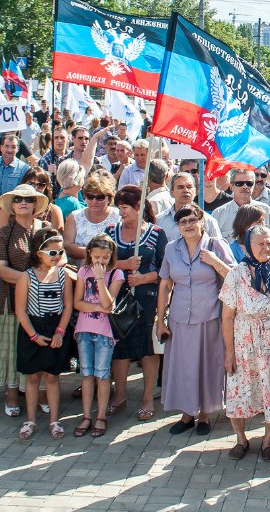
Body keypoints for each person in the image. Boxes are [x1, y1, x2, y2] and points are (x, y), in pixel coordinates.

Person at [157, 203, 235, 436]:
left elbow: (235, 278)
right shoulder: (171, 249)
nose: (188, 225)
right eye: (183, 221)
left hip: (210, 315)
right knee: (183, 366)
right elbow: (165, 285)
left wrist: (215, 262)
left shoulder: (216, 245)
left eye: (192, 220)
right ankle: (186, 414)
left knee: (207, 365)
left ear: (202, 222)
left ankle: (204, 415)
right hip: (180, 317)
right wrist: (160, 320)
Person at [219, 224, 270, 461]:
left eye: (269, 243)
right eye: (260, 244)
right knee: (239, 391)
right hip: (246, 342)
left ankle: (267, 441)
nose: (266, 248)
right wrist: (229, 353)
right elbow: (227, 316)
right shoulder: (236, 274)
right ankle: (241, 439)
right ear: (248, 247)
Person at [104, 185, 165, 421]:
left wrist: (144, 278)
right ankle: (120, 394)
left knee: (147, 349)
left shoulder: (157, 233)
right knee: (119, 347)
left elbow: (166, 270)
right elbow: (99, 261)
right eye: (119, 208)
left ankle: (147, 397)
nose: (122, 213)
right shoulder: (111, 232)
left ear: (139, 207)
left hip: (146, 299)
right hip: (117, 298)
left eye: (126, 208)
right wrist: (123, 265)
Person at [0, 183, 52, 415]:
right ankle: (12, 393)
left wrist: (41, 282)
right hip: (12, 299)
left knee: (41, 346)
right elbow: (1, 269)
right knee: (13, 348)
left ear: (36, 204)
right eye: (17, 199)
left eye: (28, 199)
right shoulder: (4, 232)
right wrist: (33, 281)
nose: (23, 202)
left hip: (44, 301)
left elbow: (59, 259)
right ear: (12, 205)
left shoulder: (46, 229)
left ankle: (42, 393)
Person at [13, 227, 72, 440]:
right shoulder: (26, 277)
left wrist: (60, 332)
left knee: (52, 377)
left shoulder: (64, 275)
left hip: (55, 327)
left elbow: (67, 306)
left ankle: (54, 420)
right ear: (39, 253)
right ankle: (31, 420)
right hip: (33, 328)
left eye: (60, 252)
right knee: (32, 377)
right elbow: (20, 310)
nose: (57, 256)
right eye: (52, 252)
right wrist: (33, 336)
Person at [73, 234, 125, 438]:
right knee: (87, 375)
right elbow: (77, 302)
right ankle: (86, 415)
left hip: (105, 332)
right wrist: (97, 308)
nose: (100, 262)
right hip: (84, 329)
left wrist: (101, 278)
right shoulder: (83, 271)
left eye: (105, 257)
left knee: (103, 375)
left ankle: (101, 416)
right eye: (96, 257)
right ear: (89, 254)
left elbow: (108, 304)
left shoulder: (117, 274)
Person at [64, 173, 120, 263]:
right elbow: (67, 246)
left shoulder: (119, 217)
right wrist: (96, 254)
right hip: (80, 269)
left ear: (109, 198)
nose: (94, 201)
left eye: (100, 197)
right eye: (90, 197)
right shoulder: (75, 216)